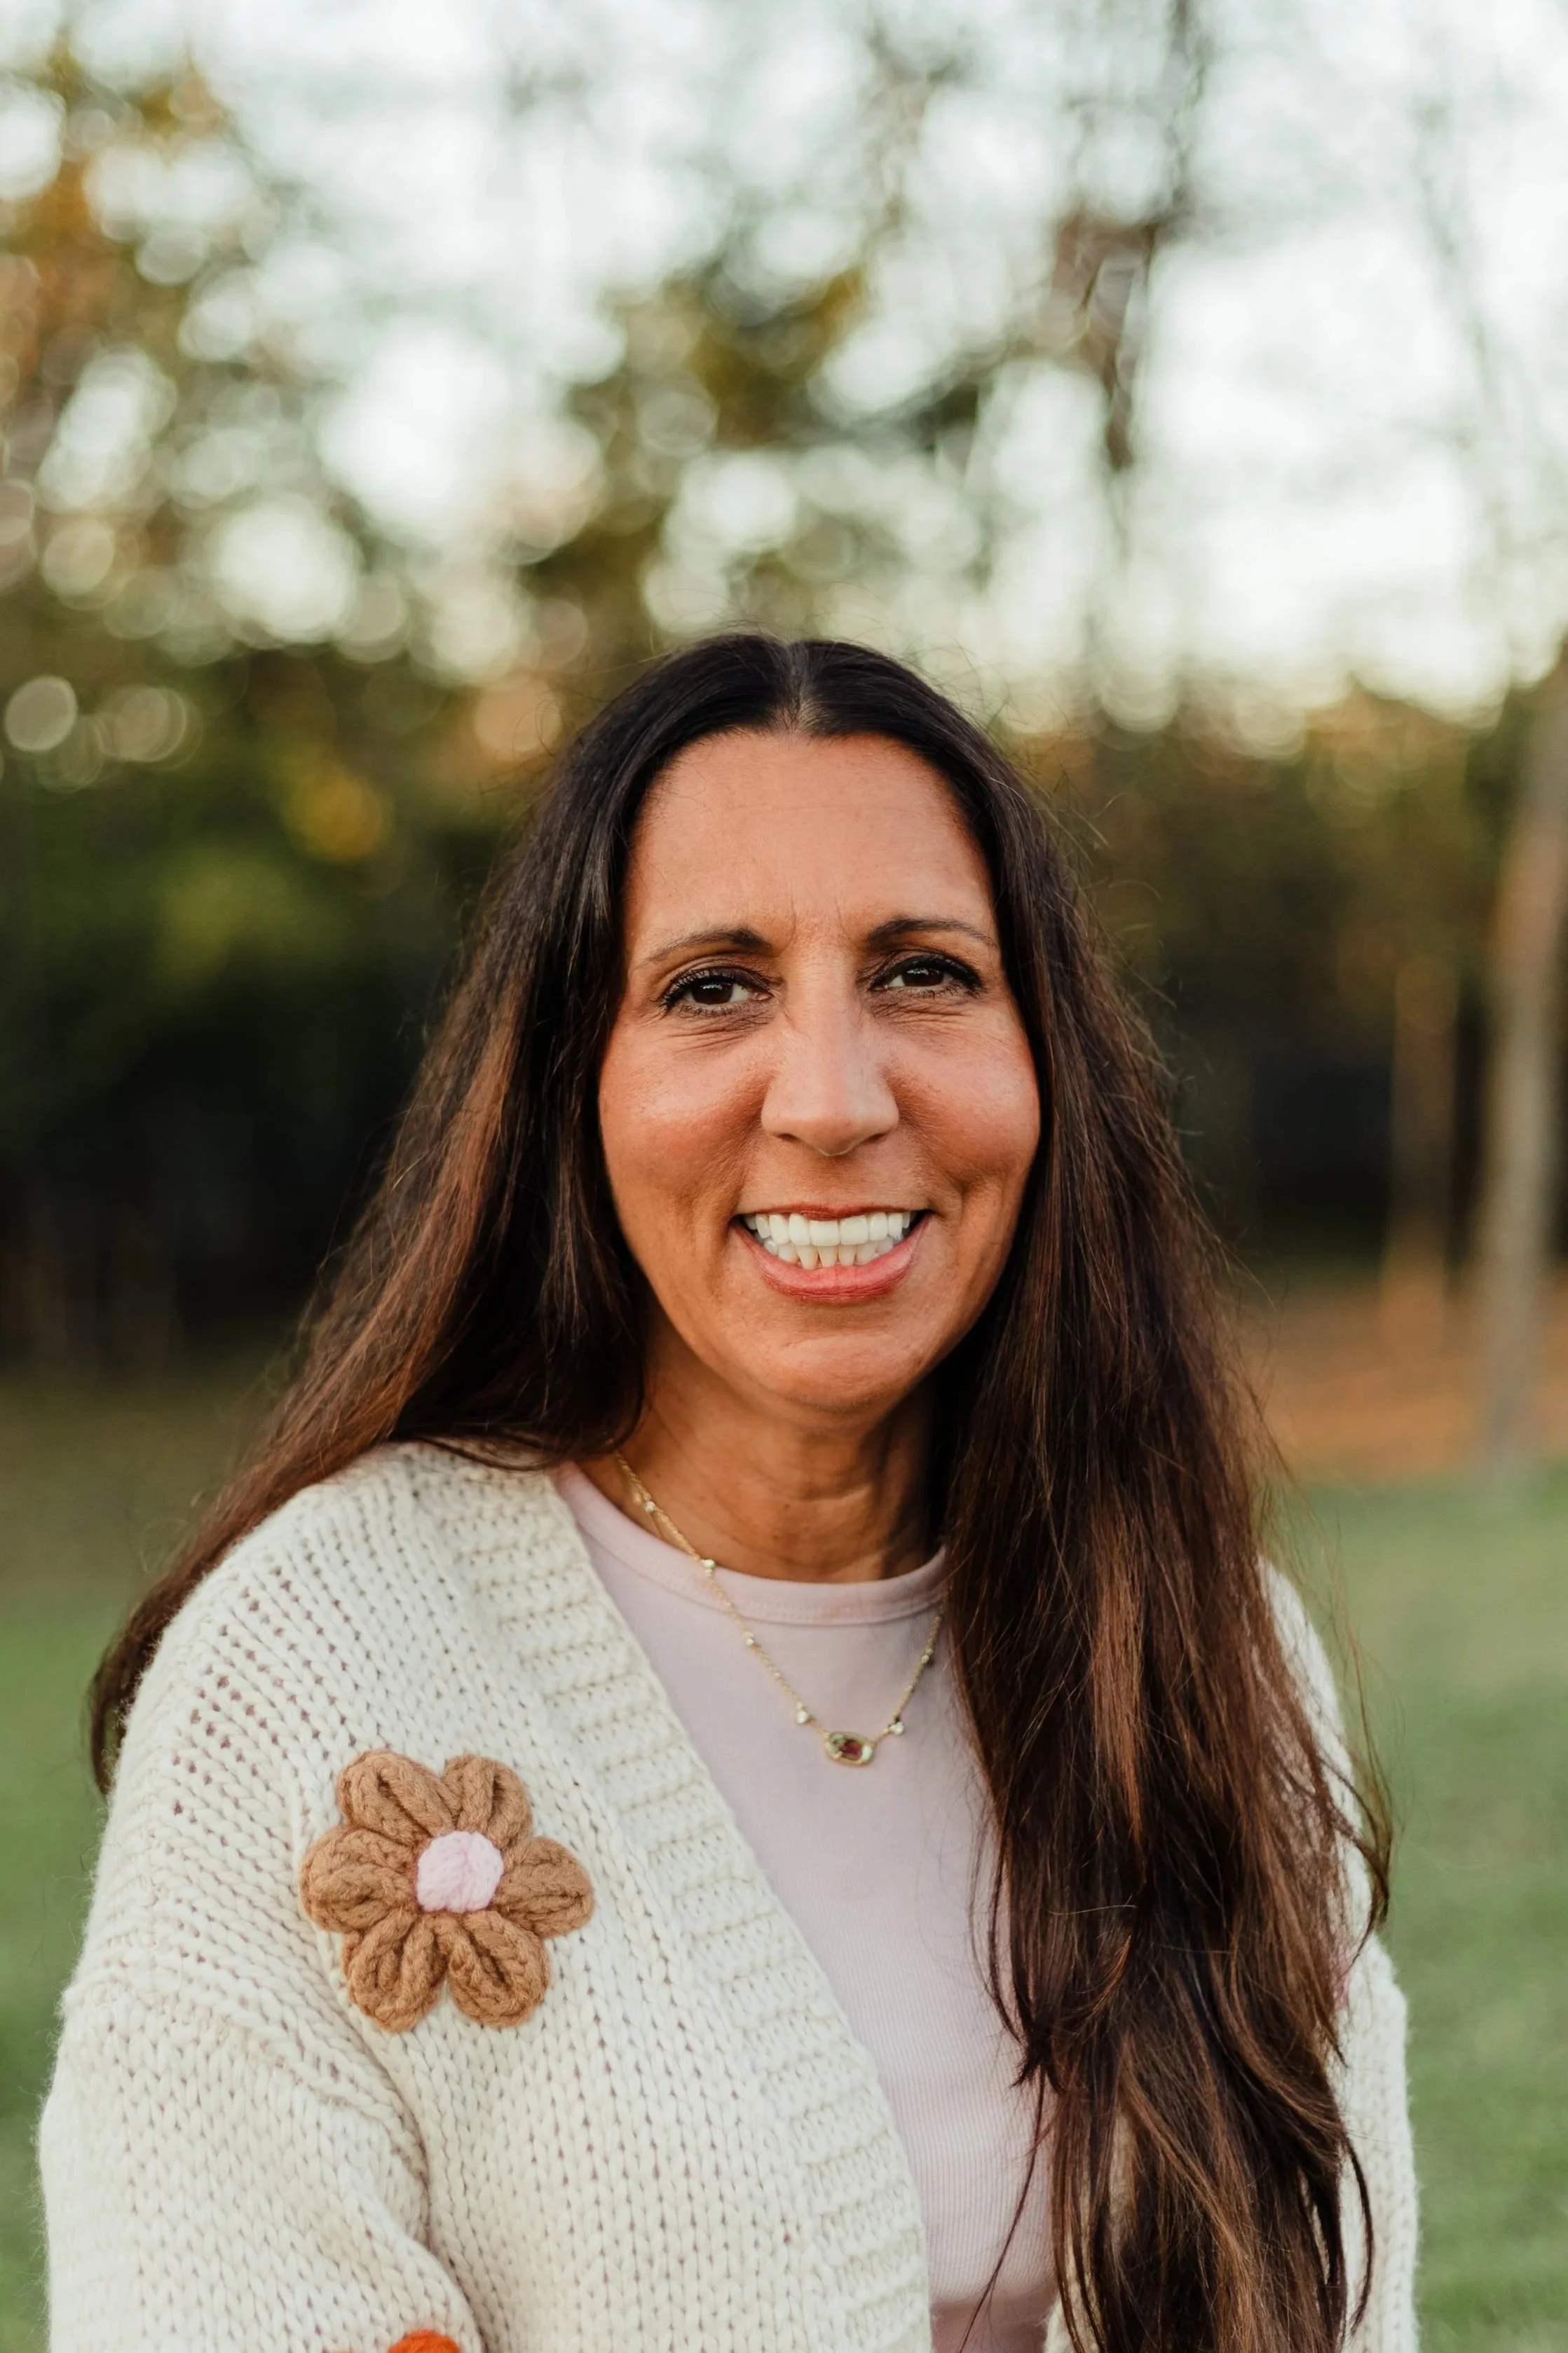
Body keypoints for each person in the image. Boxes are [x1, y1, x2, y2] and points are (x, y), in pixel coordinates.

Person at [43, 634, 1417, 2353]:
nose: (832, 1100)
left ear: (1047, 1061)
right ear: (573, 1089)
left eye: (922, 972)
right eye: (713, 986)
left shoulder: (1206, 1643)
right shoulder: (318, 1658)